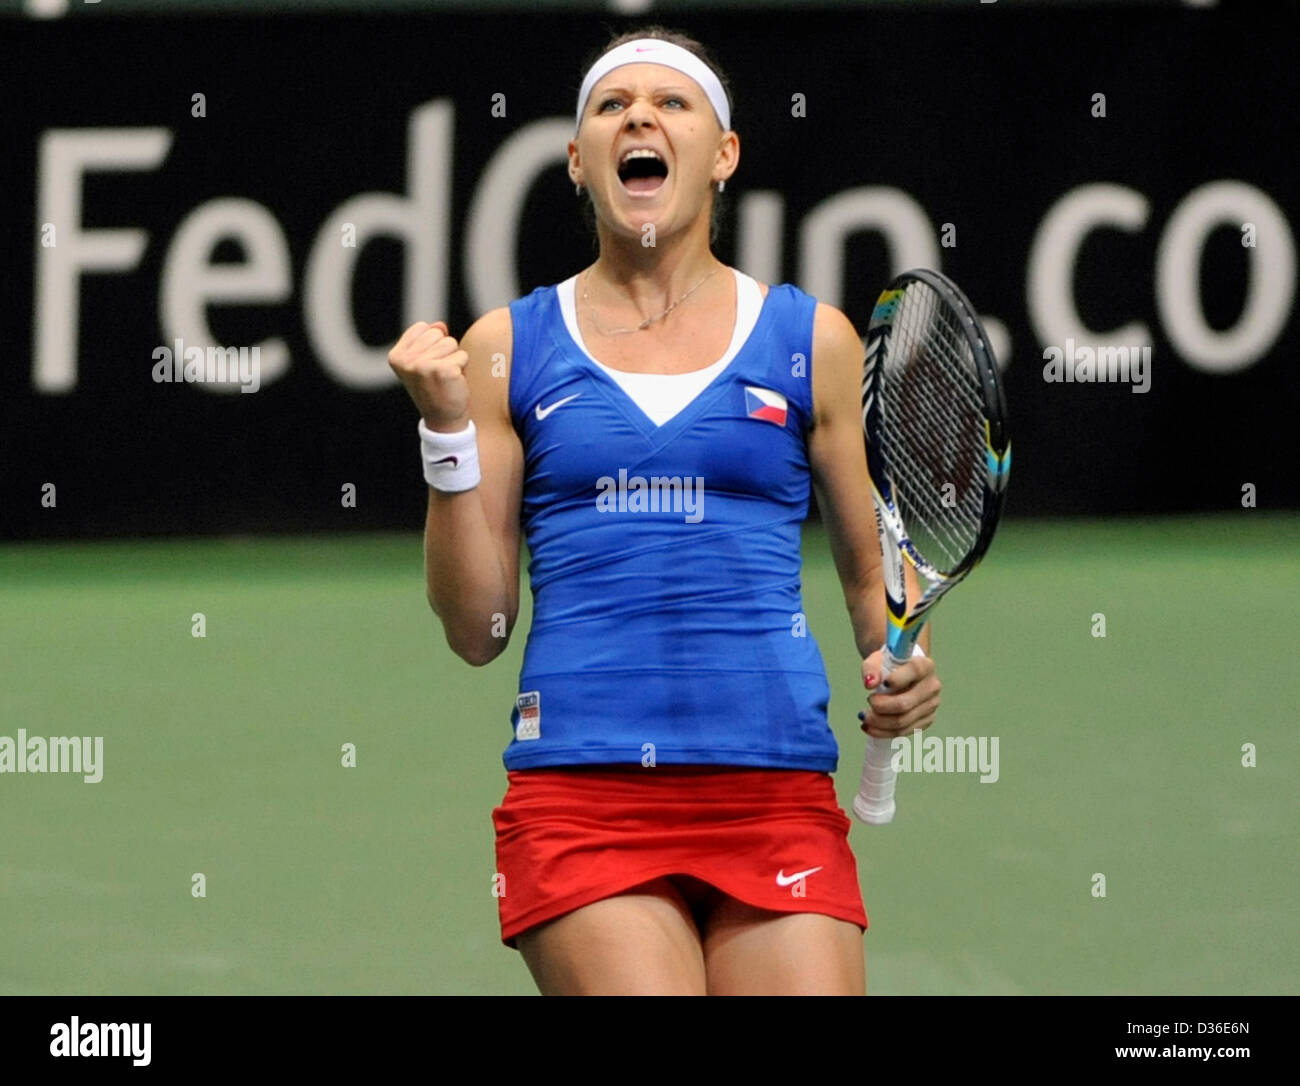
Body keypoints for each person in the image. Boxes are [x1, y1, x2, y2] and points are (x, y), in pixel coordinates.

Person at [388, 26, 942, 996]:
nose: (638, 116)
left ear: (722, 155)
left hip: (774, 788)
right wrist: (445, 437)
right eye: (611, 105)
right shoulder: (506, 346)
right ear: (576, 159)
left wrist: (901, 658)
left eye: (671, 102)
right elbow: (477, 627)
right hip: (581, 795)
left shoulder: (810, 339)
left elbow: (869, 573)